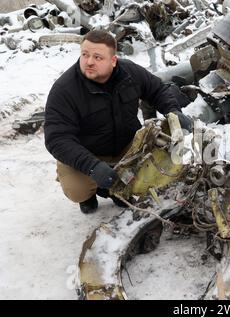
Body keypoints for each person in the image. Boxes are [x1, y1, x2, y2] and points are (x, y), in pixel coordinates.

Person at [44, 30, 192, 214]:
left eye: (97, 57)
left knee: (160, 162)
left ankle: (117, 190)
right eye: (85, 55)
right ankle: (91, 193)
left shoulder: (130, 72)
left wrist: (173, 111)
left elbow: (157, 89)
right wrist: (92, 167)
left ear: (113, 61)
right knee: (77, 190)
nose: (89, 62)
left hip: (126, 147)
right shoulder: (64, 89)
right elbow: (56, 138)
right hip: (87, 154)